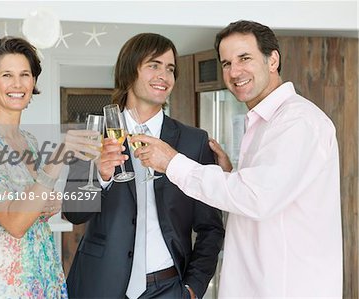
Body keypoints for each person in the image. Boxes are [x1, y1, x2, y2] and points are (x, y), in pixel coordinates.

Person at [132, 20, 343, 298]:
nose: (234, 71)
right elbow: (261, 193)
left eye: (245, 58)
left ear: (272, 60)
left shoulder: (298, 122)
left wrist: (172, 162)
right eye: (226, 63)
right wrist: (231, 175)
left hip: (286, 286)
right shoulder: (262, 123)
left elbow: (256, 198)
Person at [63, 33, 225, 299]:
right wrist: (100, 178)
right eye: (154, 65)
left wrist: (193, 288)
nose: (164, 75)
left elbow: (210, 228)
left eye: (170, 68)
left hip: (169, 288)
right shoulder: (93, 135)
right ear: (129, 72)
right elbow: (74, 213)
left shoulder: (193, 141)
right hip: (99, 284)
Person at [0, 36, 99, 298]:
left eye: (25, 74)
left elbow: (32, 200)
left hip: (39, 270)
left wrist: (52, 202)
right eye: (7, 75)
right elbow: (15, 223)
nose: (18, 84)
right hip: (3, 281)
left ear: (33, 81)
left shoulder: (28, 140)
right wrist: (58, 157)